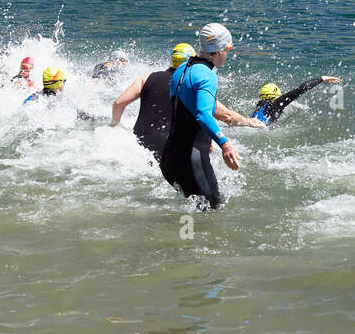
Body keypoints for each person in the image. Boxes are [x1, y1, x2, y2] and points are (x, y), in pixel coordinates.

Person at [110, 42, 263, 160]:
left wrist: (115, 124)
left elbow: (118, 103)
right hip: (172, 149)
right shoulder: (191, 83)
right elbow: (226, 116)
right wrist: (249, 122)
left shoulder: (147, 78)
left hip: (141, 144)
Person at [159, 23, 241, 209]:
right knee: (211, 215)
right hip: (191, 160)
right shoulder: (207, 76)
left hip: (169, 159)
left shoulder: (180, 70)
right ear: (220, 49)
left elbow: (183, 111)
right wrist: (225, 144)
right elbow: (203, 115)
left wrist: (206, 139)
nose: (227, 54)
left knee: (192, 215)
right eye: (228, 49)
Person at [250, 75, 341, 125]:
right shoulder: (277, 104)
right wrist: (321, 79)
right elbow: (300, 90)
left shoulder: (259, 104)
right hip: (262, 129)